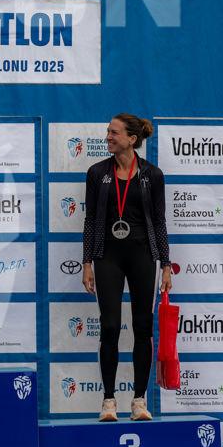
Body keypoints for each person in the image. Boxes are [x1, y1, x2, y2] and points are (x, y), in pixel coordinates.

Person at [81, 113, 172, 422]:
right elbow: (90, 221)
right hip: (107, 255)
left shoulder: (152, 174)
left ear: (132, 139)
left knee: (143, 327)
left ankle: (139, 400)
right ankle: (108, 401)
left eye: (114, 132)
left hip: (143, 255)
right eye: (108, 131)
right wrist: (87, 262)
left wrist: (166, 264)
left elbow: (159, 221)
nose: (108, 137)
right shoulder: (97, 173)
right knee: (109, 326)